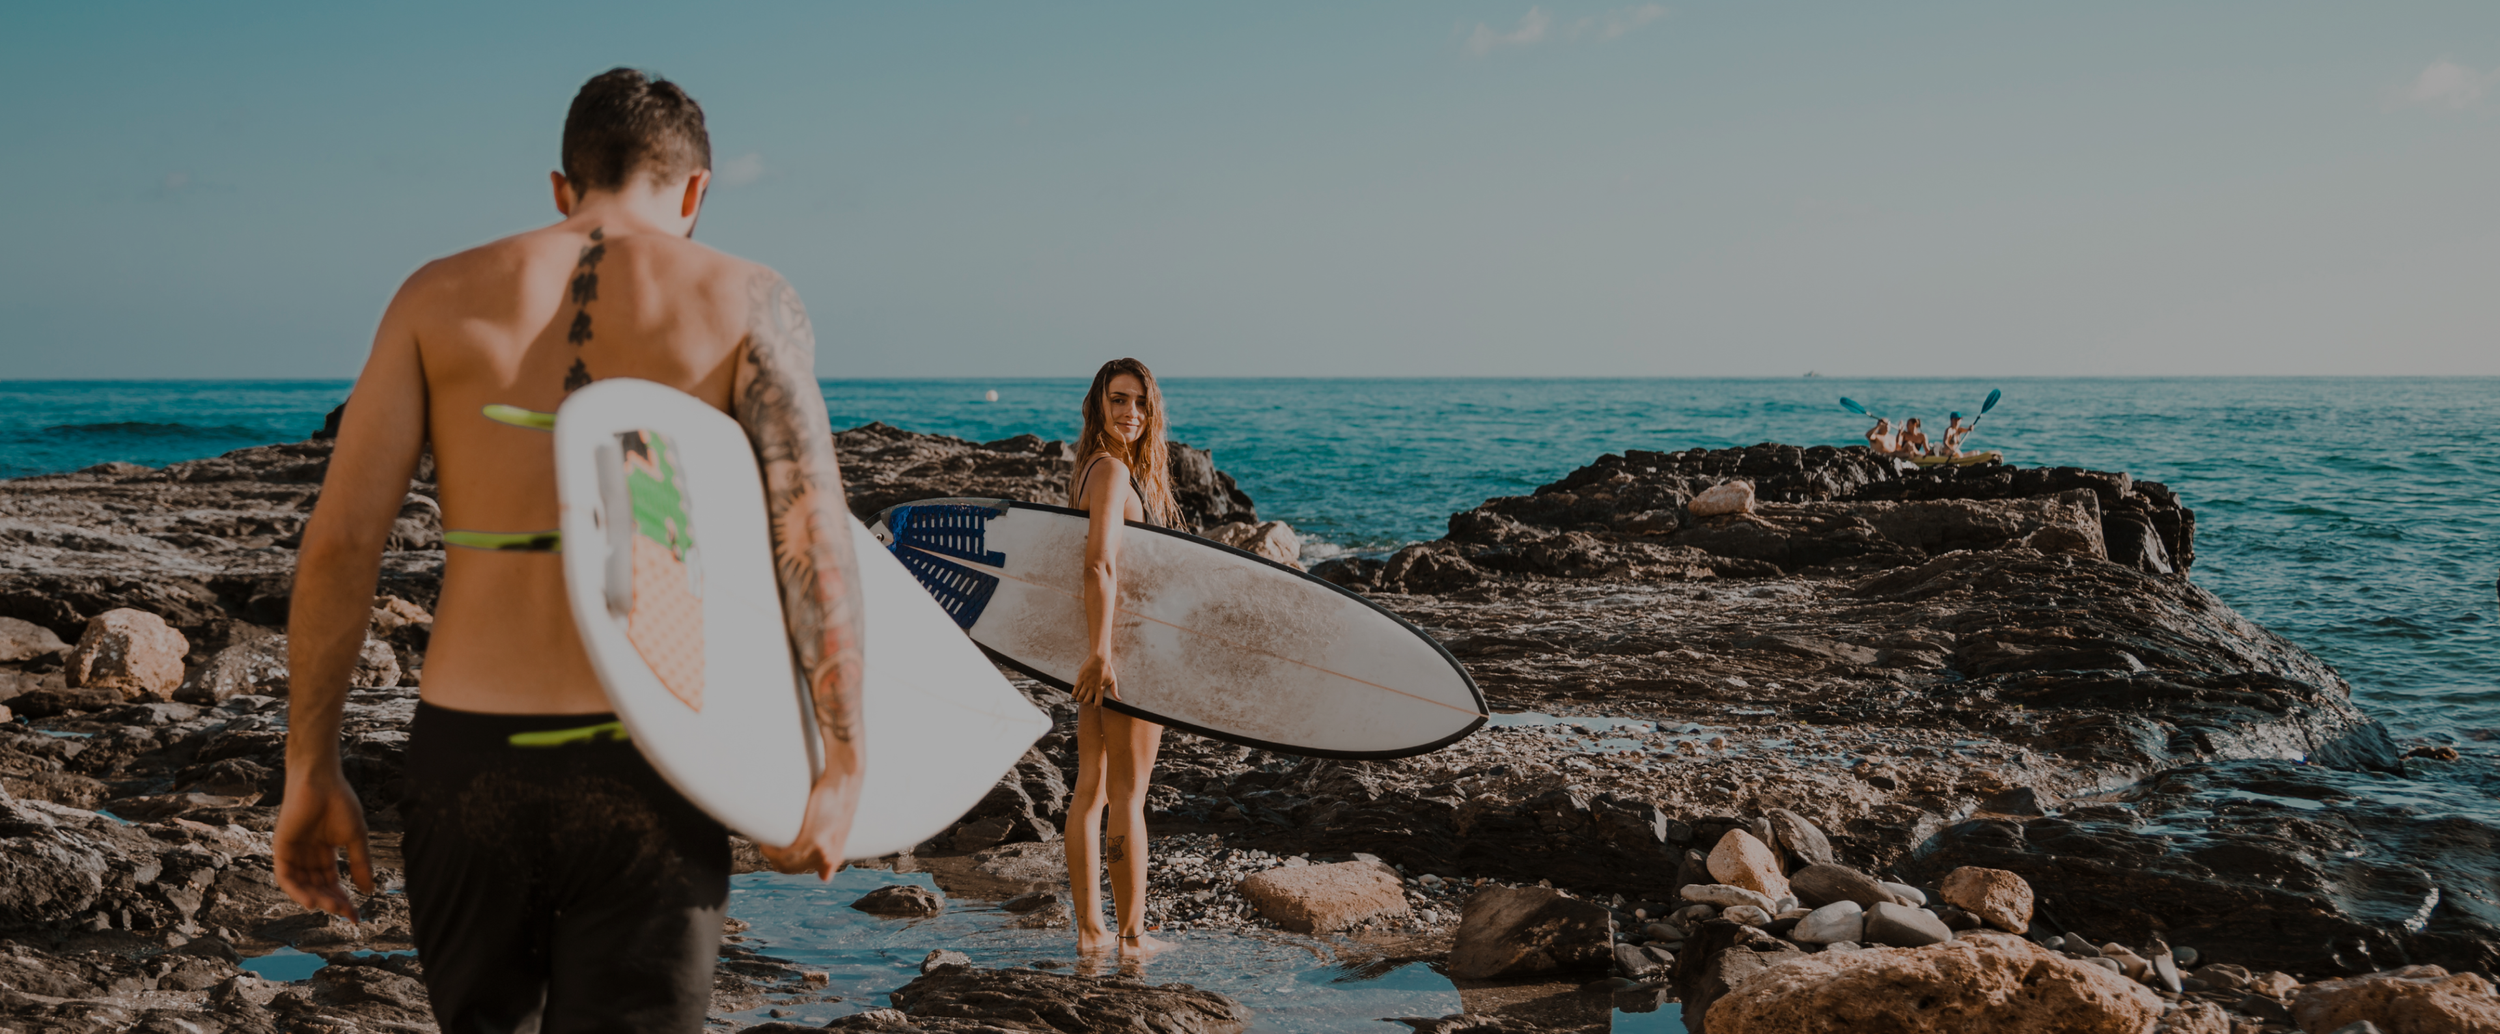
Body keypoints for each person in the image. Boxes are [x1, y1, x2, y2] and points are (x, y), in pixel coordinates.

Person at [274, 68, 867, 1032]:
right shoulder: (746, 298)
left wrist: (310, 765)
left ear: (562, 185)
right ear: (696, 188)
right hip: (652, 758)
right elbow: (814, 534)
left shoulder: (434, 295)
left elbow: (342, 542)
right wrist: (841, 767)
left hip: (468, 759)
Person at [1063, 358, 1185, 958]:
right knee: (1127, 795)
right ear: (1098, 404)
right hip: (1124, 651)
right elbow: (1099, 563)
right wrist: (1103, 654)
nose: (1130, 412)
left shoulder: (1090, 467)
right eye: (1117, 399)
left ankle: (1091, 933)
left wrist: (1093, 650)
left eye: (1139, 402)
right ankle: (1131, 937)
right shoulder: (1112, 471)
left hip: (1103, 645)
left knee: (1091, 789)